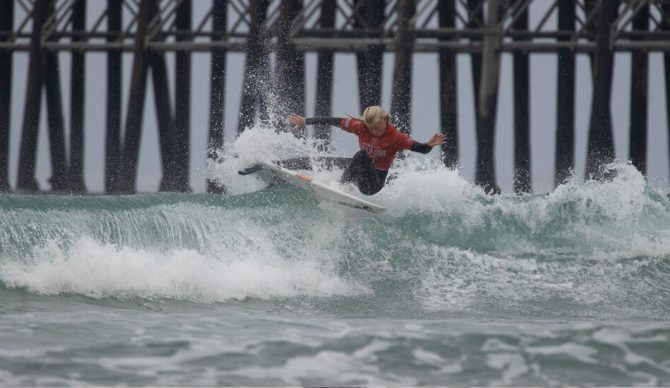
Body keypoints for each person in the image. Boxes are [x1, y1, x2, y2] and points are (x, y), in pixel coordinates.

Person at [287, 106, 446, 195]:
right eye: (371, 128)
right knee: (319, 161)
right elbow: (333, 121)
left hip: (372, 183)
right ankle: (276, 164)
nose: (374, 132)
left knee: (361, 155)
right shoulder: (360, 127)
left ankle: (339, 187)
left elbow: (421, 149)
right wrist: (306, 121)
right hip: (358, 168)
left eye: (377, 128)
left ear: (385, 120)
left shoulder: (396, 137)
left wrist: (429, 144)